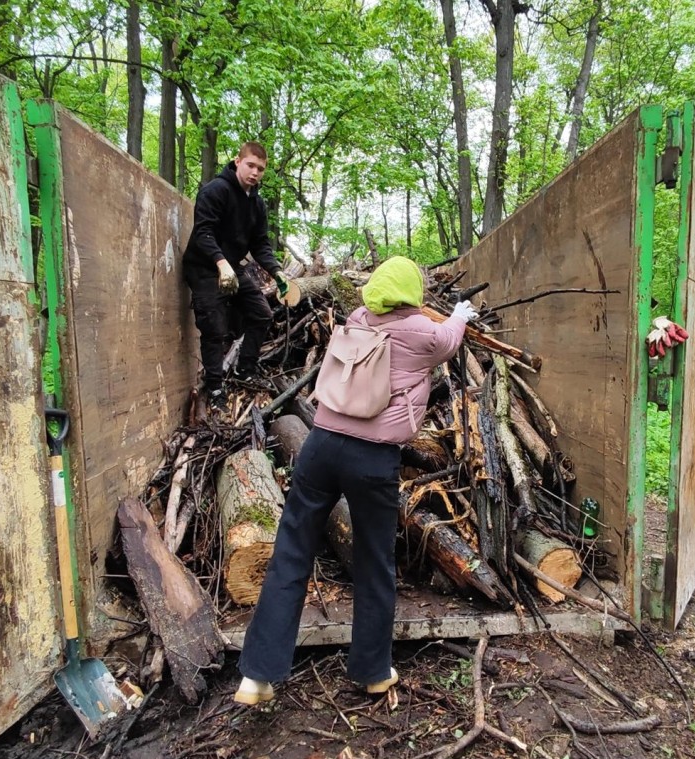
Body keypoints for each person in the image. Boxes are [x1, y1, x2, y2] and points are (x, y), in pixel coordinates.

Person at [234, 256, 479, 705]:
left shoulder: (357, 319)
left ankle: (256, 675)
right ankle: (371, 671)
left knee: (290, 553)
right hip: (372, 459)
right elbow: (448, 340)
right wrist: (460, 314)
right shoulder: (423, 333)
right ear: (412, 295)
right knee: (374, 563)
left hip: (320, 446)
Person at [183, 142, 290, 406]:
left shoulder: (257, 204)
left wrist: (277, 272)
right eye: (250, 165)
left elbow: (261, 244)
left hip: (231, 266)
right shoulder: (215, 191)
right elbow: (203, 232)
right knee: (214, 328)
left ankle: (246, 371)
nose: (255, 172)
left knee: (262, 314)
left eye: (260, 169)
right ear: (237, 161)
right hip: (205, 268)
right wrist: (220, 263)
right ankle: (216, 389)